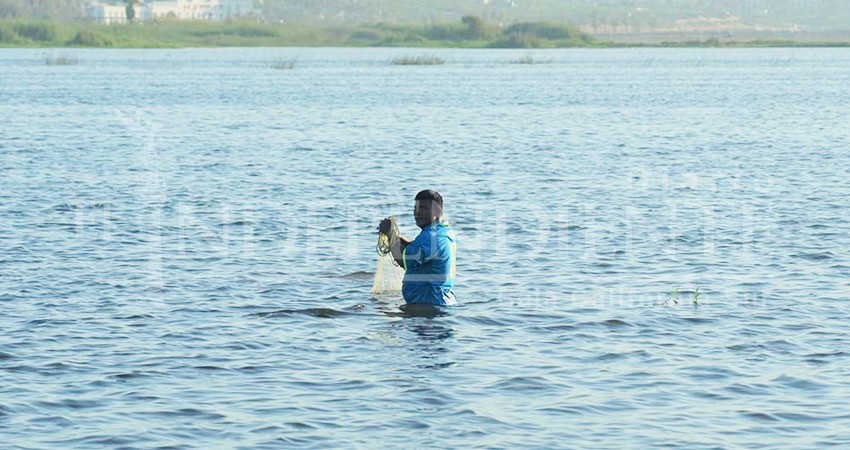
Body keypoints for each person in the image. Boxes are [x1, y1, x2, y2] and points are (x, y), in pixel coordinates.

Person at [378, 190, 457, 306]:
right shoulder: (442, 230)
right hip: (437, 302)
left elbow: (402, 259)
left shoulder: (431, 237)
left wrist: (390, 235)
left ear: (438, 210)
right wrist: (395, 236)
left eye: (424, 208)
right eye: (415, 209)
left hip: (429, 304)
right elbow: (414, 248)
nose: (417, 213)